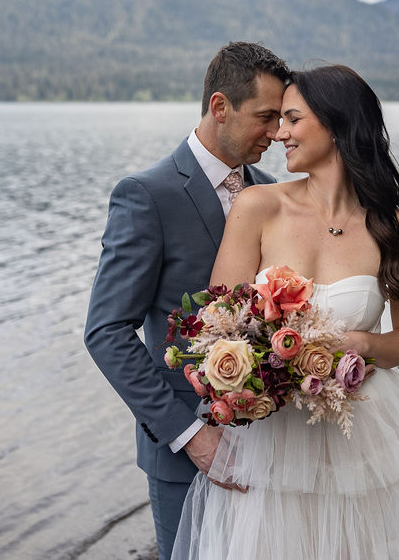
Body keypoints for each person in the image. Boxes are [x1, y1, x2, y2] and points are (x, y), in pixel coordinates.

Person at [171, 65, 399, 558]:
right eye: (278, 120)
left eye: (292, 119)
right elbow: (217, 325)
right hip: (274, 440)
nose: (279, 133)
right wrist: (252, 370)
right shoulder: (257, 207)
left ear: (336, 126)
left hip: (365, 434)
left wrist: (363, 346)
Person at [83, 41, 291, 560]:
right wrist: (192, 437)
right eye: (265, 117)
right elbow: (107, 332)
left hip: (273, 447)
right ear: (220, 107)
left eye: (282, 118)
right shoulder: (146, 194)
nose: (277, 132)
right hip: (186, 457)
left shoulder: (272, 193)